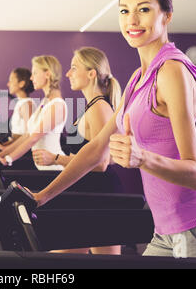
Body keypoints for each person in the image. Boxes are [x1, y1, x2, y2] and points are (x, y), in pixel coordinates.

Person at [32, 0, 196, 259]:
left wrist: (142, 159)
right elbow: (95, 148)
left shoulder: (172, 71)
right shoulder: (138, 78)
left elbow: (195, 174)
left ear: (167, 16)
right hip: (165, 231)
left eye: (144, 9)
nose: (132, 20)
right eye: (125, 11)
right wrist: (43, 196)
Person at [33, 47, 123, 255]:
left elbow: (100, 163)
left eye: (74, 68)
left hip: (102, 196)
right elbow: (88, 156)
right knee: (65, 258)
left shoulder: (99, 107)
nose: (68, 74)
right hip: (87, 193)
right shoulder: (91, 106)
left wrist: (56, 158)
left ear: (92, 74)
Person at [0, 55, 67, 171]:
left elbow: (33, 138)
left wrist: (7, 160)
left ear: (47, 74)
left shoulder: (57, 105)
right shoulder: (45, 102)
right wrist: (2, 154)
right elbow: (28, 135)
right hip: (42, 168)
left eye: (35, 73)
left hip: (53, 169)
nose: (31, 78)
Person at [0, 67, 36, 150]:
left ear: (21, 83)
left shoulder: (26, 104)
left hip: (23, 151)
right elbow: (17, 138)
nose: (8, 84)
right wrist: (5, 145)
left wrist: (4, 148)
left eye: (11, 80)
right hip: (17, 145)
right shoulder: (21, 102)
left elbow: (28, 136)